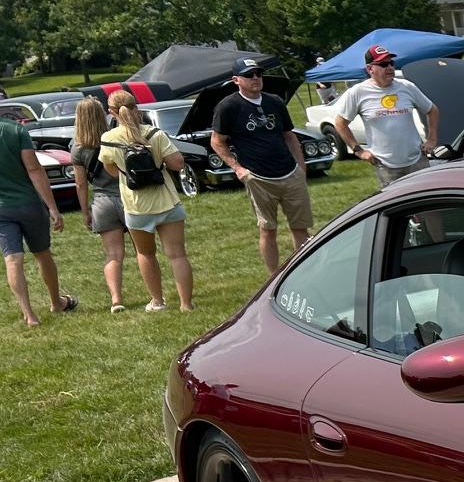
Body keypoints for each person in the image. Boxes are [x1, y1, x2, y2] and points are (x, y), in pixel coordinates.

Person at [0, 73, 72, 325]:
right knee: (42, 254)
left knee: (12, 259)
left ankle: (29, 314)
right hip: (28, 203)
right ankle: (56, 302)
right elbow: (34, 169)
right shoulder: (14, 129)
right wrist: (52, 207)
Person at [210, 57, 312, 275]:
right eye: (249, 75)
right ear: (236, 80)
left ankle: (305, 274)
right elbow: (217, 141)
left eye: (258, 73)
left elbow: (289, 135)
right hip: (258, 177)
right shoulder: (228, 106)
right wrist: (238, 168)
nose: (255, 78)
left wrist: (301, 166)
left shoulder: (274, 101)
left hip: (290, 172)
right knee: (268, 229)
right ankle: (273, 278)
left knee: (301, 227)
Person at [100, 90, 193, 312]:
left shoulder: (109, 139)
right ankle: (186, 304)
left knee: (145, 254)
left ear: (111, 112)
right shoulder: (155, 134)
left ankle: (157, 301)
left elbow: (111, 171)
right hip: (167, 201)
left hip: (136, 206)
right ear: (136, 107)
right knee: (177, 255)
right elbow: (177, 163)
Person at [332, 44, 440, 188]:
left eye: (391, 63)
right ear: (370, 69)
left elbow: (432, 110)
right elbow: (340, 123)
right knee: (397, 202)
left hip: (417, 161)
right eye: (383, 64)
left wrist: (432, 139)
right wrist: (358, 151)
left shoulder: (406, 86)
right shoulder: (357, 92)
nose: (389, 67)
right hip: (386, 167)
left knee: (426, 199)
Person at [69, 98, 134, 311]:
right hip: (127, 197)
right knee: (144, 251)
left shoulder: (77, 148)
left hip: (102, 202)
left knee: (113, 255)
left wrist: (85, 212)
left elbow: (80, 184)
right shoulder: (115, 138)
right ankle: (156, 296)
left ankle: (116, 299)